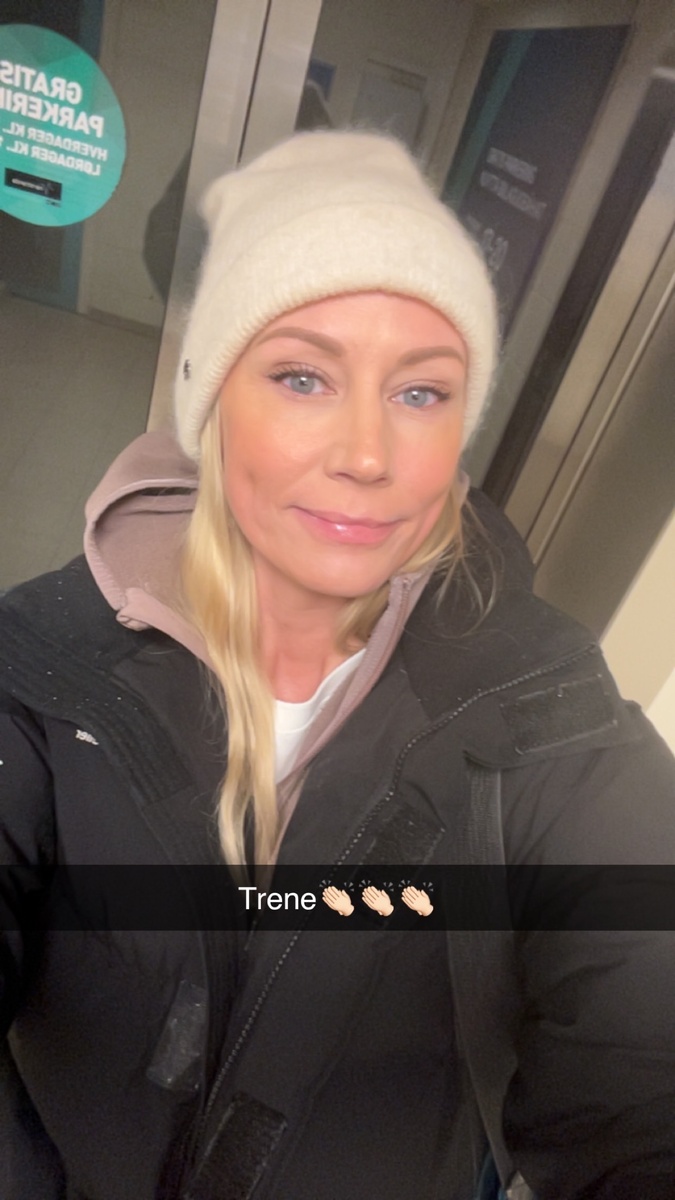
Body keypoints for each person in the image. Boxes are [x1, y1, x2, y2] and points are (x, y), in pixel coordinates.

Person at [1, 131, 675, 1200]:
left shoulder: (546, 706)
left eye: (421, 393)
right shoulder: (44, 666)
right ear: (213, 404)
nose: (367, 454)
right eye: (303, 376)